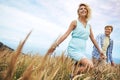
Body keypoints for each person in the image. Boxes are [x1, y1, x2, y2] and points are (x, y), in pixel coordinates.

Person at [47, 3, 104, 78]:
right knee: (90, 65)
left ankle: (72, 76)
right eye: (81, 9)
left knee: (78, 67)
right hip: (73, 49)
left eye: (85, 8)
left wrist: (100, 51)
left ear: (87, 11)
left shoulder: (89, 26)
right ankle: (72, 76)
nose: (83, 9)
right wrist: (55, 45)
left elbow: (93, 39)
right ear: (78, 12)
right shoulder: (75, 22)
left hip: (82, 51)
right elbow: (66, 34)